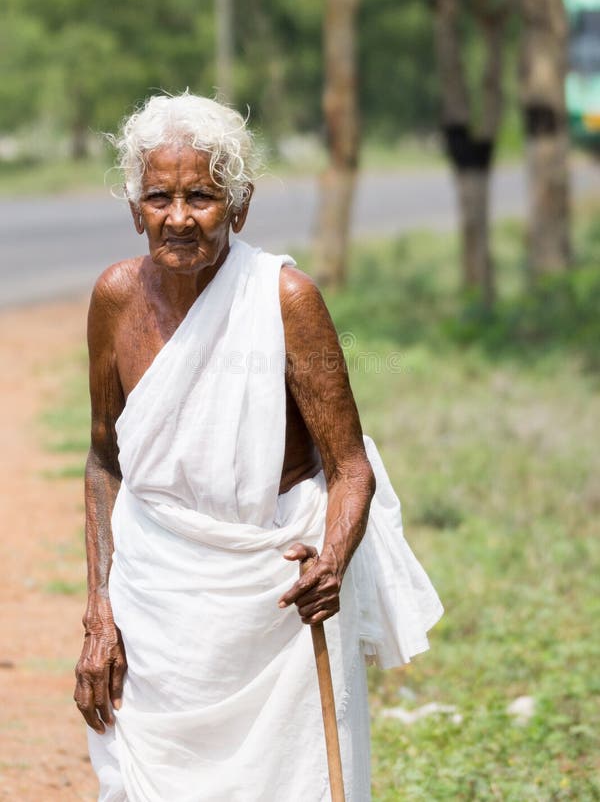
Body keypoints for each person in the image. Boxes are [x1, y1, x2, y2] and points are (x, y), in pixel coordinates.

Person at [74, 92, 443, 802]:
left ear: (238, 207)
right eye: (159, 197)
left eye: (202, 197)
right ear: (134, 208)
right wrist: (99, 612)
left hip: (274, 599)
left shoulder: (287, 300)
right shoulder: (115, 298)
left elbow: (349, 468)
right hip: (154, 594)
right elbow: (103, 460)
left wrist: (332, 561)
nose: (179, 217)